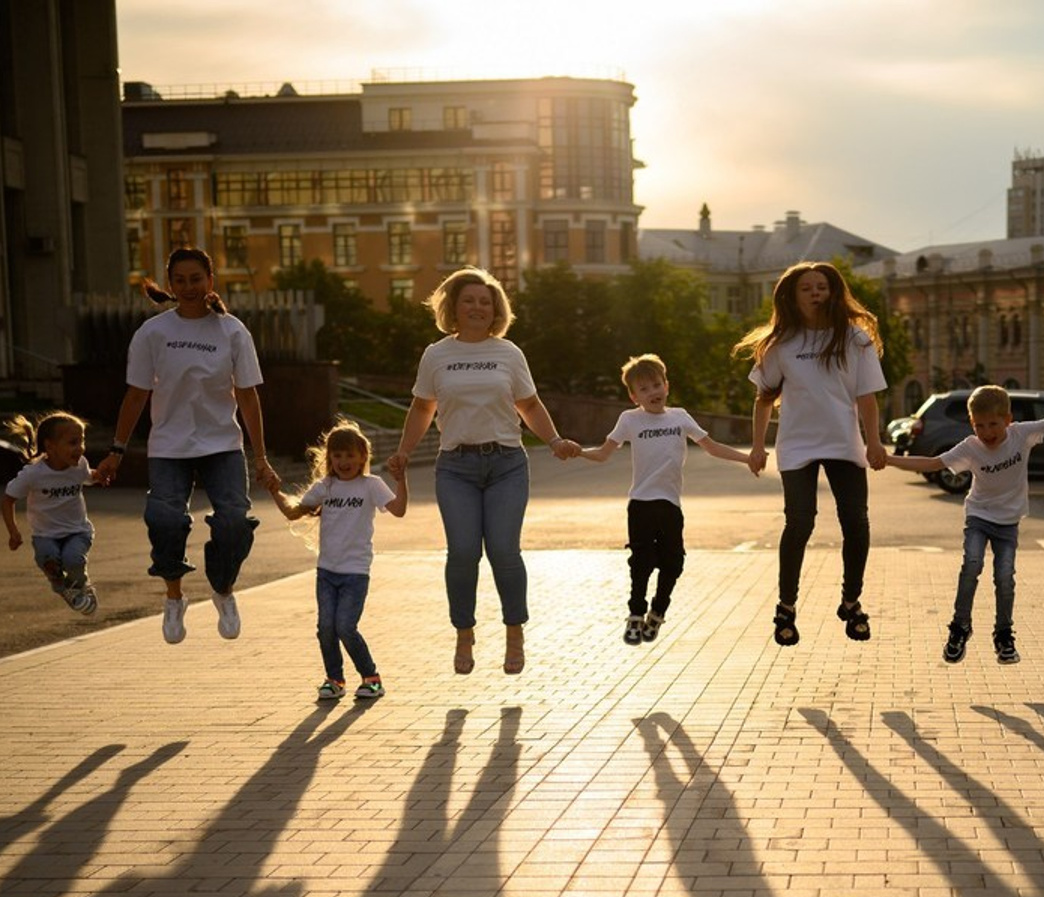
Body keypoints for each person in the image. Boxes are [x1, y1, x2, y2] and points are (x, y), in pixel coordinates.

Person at [389, 266, 579, 676]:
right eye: (469, 300)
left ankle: (514, 631)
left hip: (506, 464)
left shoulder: (508, 353)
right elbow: (423, 408)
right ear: (453, 307)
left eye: (485, 301)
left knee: (504, 551)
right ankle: (464, 631)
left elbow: (528, 404)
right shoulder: (436, 354)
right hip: (455, 466)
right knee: (462, 553)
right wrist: (404, 451)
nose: (477, 306)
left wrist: (554, 440)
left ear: (495, 309)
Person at [96, 247, 278, 645]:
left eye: (196, 279)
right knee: (163, 520)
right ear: (171, 285)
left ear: (210, 281)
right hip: (169, 447)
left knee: (234, 522)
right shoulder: (153, 333)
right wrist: (116, 450)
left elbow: (248, 396)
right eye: (180, 280)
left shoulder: (232, 331)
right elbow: (136, 395)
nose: (189, 287)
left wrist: (261, 457)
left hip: (222, 446)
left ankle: (222, 587)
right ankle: (174, 597)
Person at [734, 261, 888, 647]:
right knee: (799, 523)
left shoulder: (856, 340)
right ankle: (786, 608)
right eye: (807, 288)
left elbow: (866, 398)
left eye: (822, 286)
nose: (816, 293)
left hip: (843, 441)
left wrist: (873, 441)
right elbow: (763, 399)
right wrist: (757, 447)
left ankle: (851, 602)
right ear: (791, 295)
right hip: (797, 444)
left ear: (834, 292)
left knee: (856, 522)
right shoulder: (780, 344)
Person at [886, 385, 1044, 664]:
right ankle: (960, 628)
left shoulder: (1022, 434)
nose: (987, 433)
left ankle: (1003, 636)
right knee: (972, 564)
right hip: (979, 516)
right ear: (972, 425)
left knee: (1005, 577)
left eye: (993, 424)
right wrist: (888, 459)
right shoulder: (971, 447)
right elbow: (933, 463)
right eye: (979, 426)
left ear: (1008, 420)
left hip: (1008, 522)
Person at [577, 353, 754, 644]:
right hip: (641, 504)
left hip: (670, 504)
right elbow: (603, 453)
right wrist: (577, 451)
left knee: (673, 563)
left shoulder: (679, 417)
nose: (652, 392)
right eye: (644, 389)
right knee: (642, 562)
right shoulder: (629, 419)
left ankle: (658, 611)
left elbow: (711, 447)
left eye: (656, 385)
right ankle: (636, 615)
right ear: (634, 396)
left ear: (666, 386)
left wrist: (747, 459)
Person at [266, 420, 407, 701]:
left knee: (345, 626)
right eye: (337, 455)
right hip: (327, 571)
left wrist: (401, 479)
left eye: (350, 455)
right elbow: (294, 512)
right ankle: (334, 679)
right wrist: (273, 491)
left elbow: (400, 510)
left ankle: (372, 679)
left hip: (355, 572)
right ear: (329, 457)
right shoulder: (326, 486)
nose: (343, 461)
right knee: (325, 629)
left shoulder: (371, 485)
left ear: (363, 457)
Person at [3, 412, 101, 616]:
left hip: (77, 531)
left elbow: (88, 476)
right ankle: (64, 589)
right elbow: (8, 499)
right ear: (50, 446)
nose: (80, 448)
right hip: (45, 534)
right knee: (48, 561)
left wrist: (99, 476)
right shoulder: (33, 474)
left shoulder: (80, 464)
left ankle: (82, 586)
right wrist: (13, 531)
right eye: (73, 442)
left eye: (82, 441)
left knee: (73, 559)